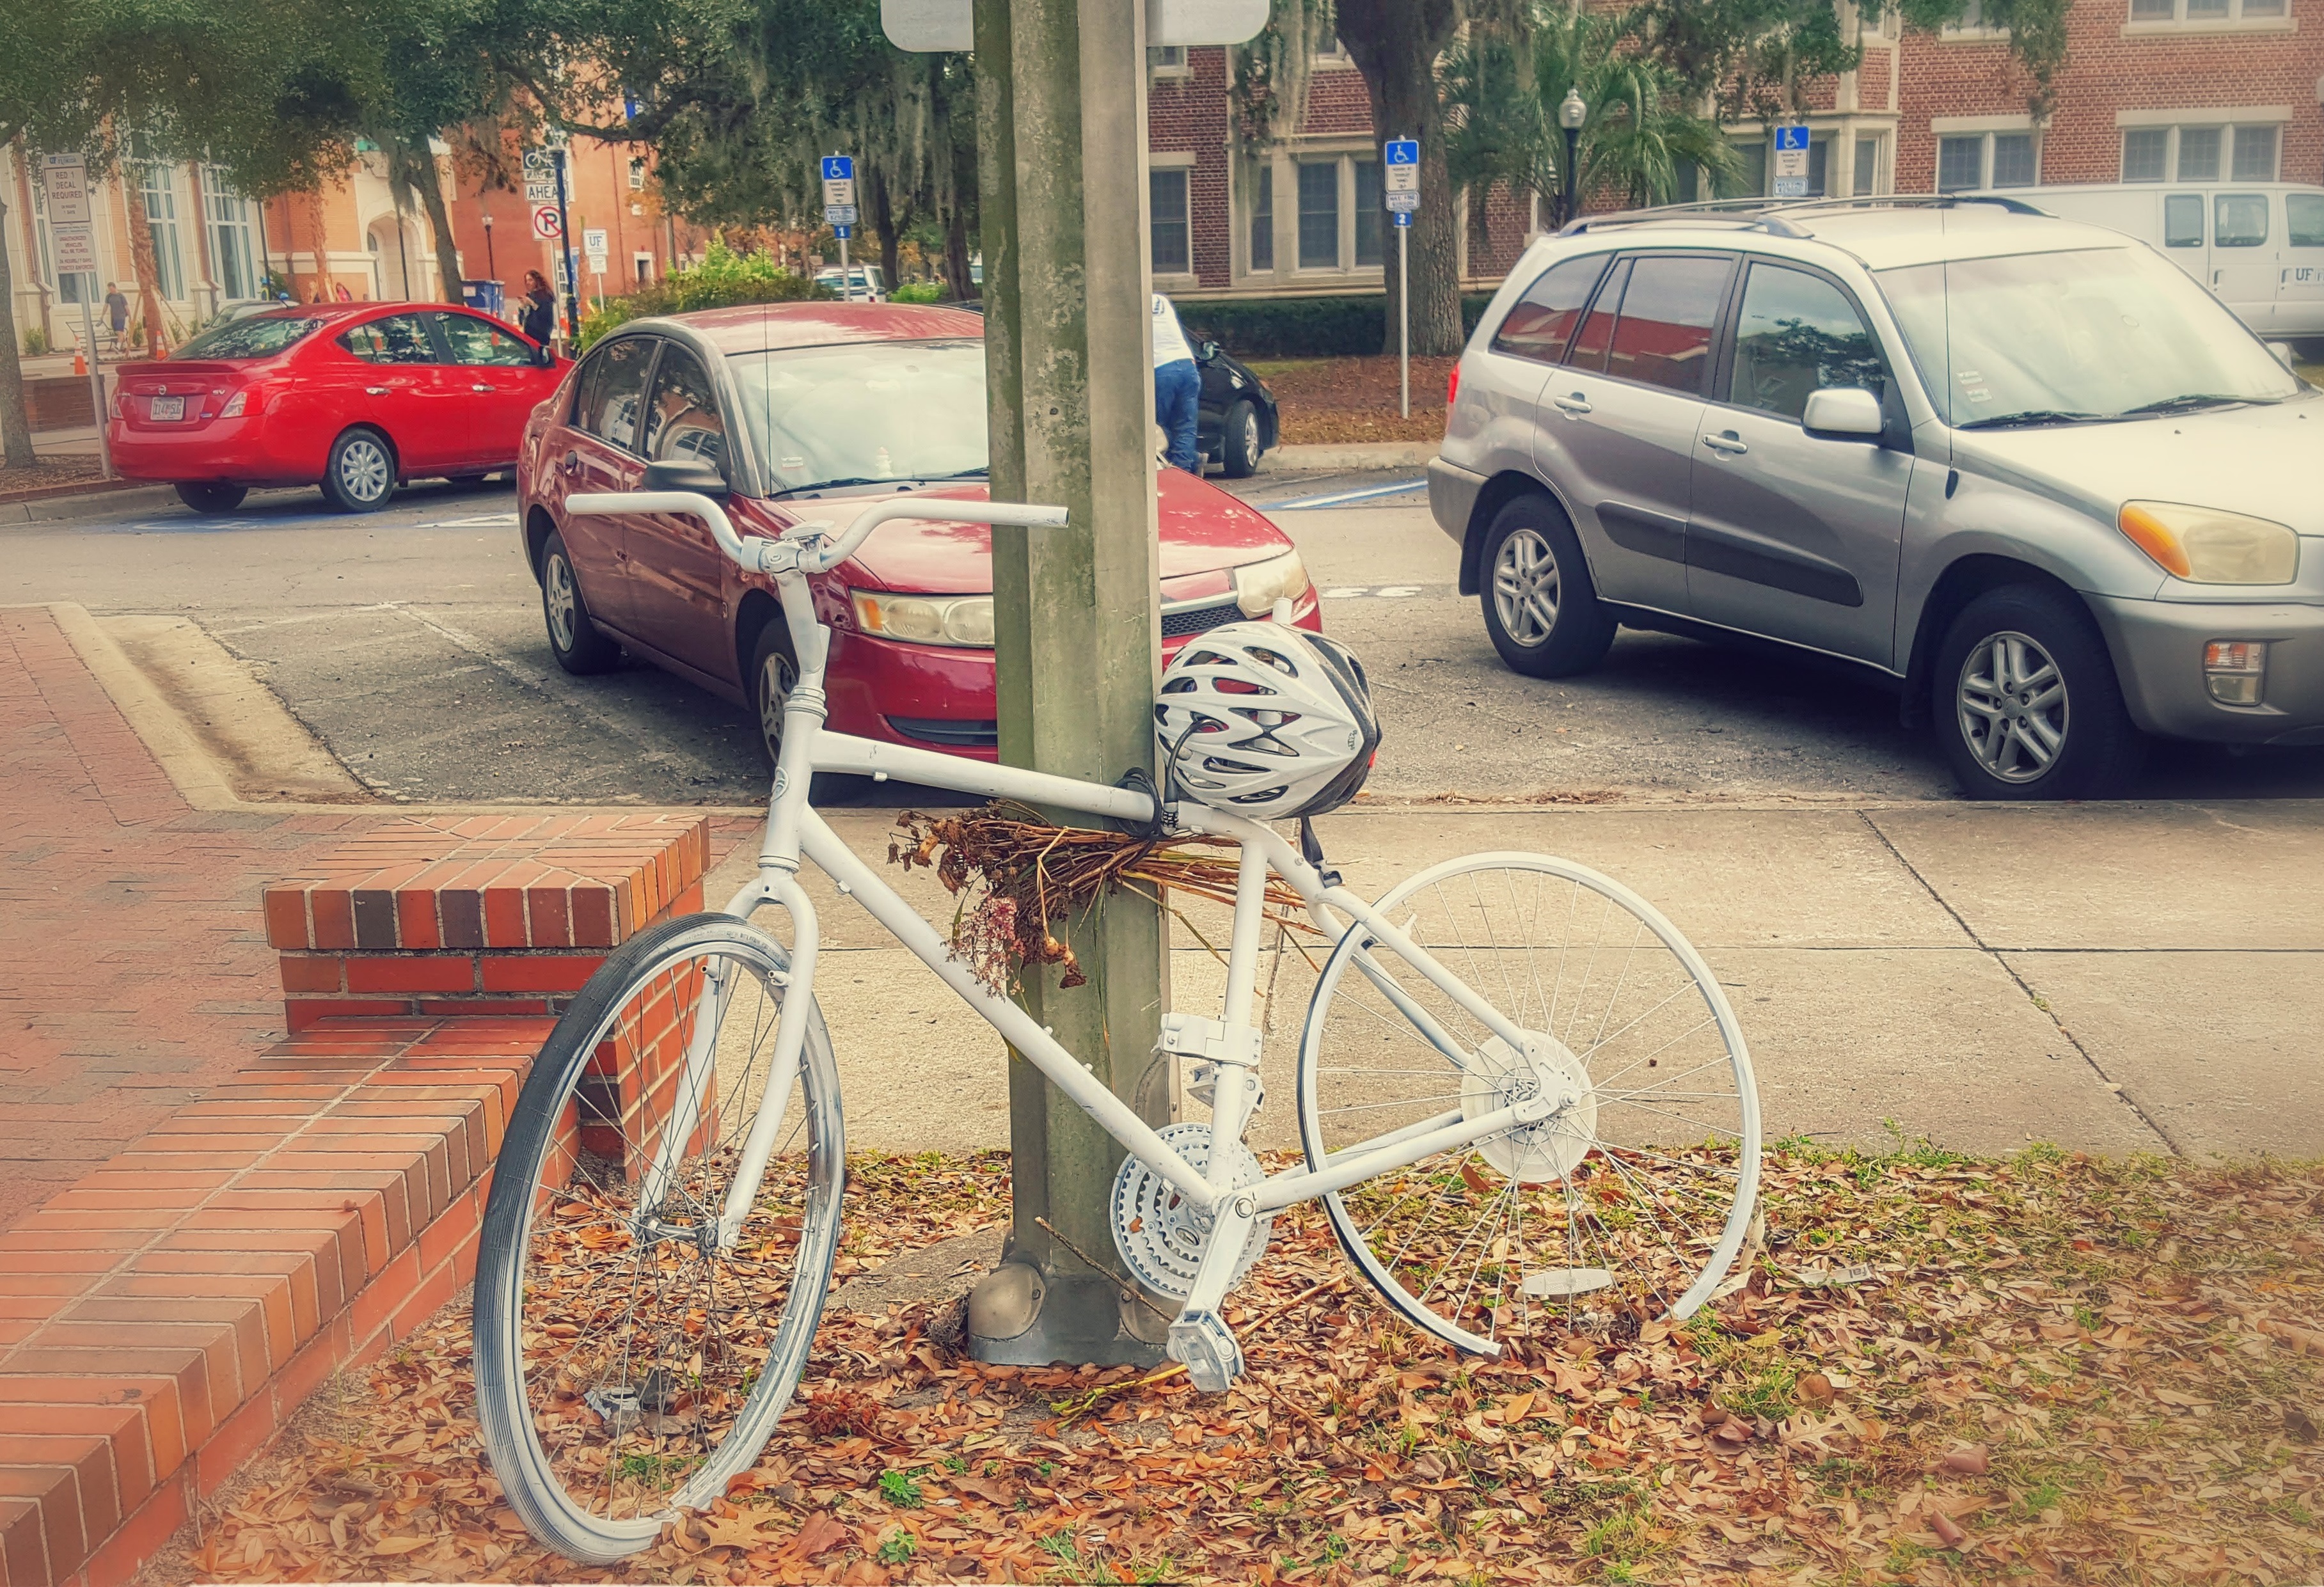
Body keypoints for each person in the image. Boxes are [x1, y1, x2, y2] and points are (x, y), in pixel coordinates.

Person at [1151, 292, 1201, 473]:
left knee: (1156, 427)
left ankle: (1160, 471)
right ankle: (1183, 472)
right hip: (1188, 366)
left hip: (1161, 369)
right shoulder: (1161, 301)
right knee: (1185, 427)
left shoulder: (1129, 306)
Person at [519, 269, 557, 345]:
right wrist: (521, 308)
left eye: (531, 280)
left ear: (537, 280)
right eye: (527, 281)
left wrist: (532, 304)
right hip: (529, 334)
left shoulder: (545, 295)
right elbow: (522, 320)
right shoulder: (530, 295)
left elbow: (544, 314)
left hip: (541, 334)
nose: (528, 283)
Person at [104, 283, 129, 347]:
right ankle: (125, 345)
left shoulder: (121, 296)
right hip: (114, 317)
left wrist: (130, 317)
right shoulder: (109, 296)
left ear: (115, 288)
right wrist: (102, 315)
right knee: (118, 332)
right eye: (109, 289)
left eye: (111, 289)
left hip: (121, 316)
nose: (110, 291)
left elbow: (126, 307)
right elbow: (106, 306)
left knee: (120, 332)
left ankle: (118, 347)